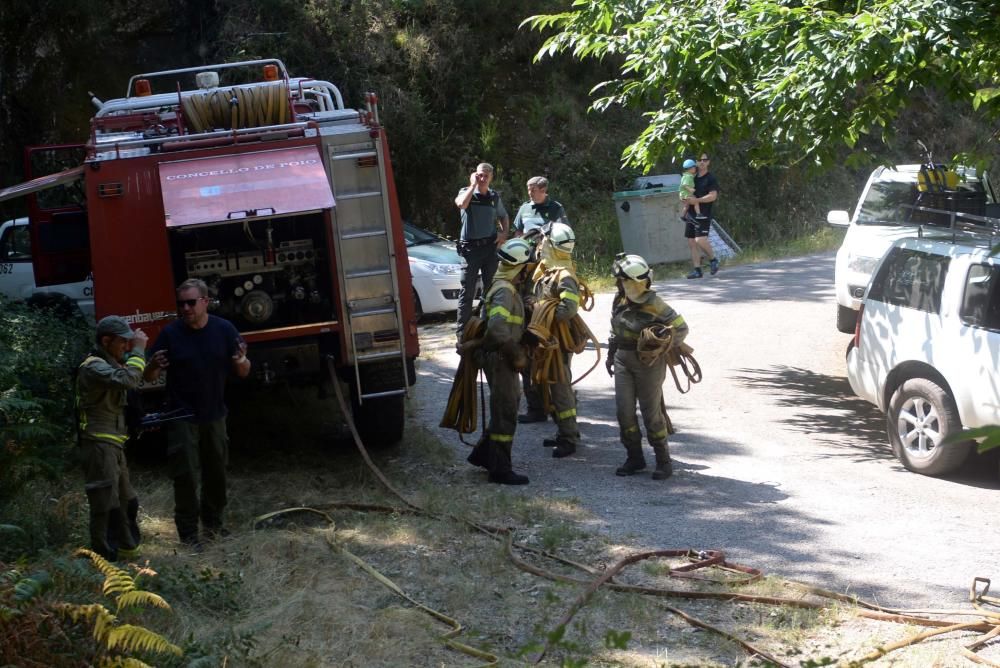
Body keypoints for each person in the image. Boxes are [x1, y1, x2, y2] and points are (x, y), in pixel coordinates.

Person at [144, 278, 251, 547]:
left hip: (214, 412)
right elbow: (149, 376)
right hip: (181, 414)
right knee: (186, 474)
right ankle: (189, 534)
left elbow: (244, 370)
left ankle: (214, 525)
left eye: (191, 302)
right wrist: (154, 365)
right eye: (181, 304)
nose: (186, 308)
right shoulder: (171, 334)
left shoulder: (224, 329)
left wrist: (241, 361)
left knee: (216, 471)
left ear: (205, 302)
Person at [76, 315, 154, 561]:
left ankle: (127, 552)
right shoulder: (93, 366)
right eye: (123, 342)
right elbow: (128, 380)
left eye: (130, 343)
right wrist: (140, 351)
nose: (127, 346)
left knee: (126, 502)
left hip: (113, 445)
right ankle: (104, 561)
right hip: (99, 446)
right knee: (105, 506)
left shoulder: (110, 365)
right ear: (106, 340)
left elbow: (131, 383)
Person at [606, 254, 688, 480]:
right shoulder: (619, 300)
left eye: (622, 280)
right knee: (624, 412)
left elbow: (681, 329)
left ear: (633, 281)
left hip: (648, 364)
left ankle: (663, 460)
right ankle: (635, 457)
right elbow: (615, 330)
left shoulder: (655, 304)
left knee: (651, 413)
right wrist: (611, 354)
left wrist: (660, 345)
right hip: (623, 359)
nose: (618, 283)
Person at [461, 238, 534, 485]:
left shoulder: (503, 286)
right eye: (526, 267)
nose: (528, 272)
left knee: (506, 406)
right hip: (502, 359)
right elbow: (497, 330)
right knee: (505, 411)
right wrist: (517, 354)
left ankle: (484, 455)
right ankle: (500, 470)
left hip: (499, 357)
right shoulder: (504, 290)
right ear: (519, 267)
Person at [512, 176, 569, 423]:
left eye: (533, 189)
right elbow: (516, 234)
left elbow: (565, 237)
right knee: (527, 345)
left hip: (547, 271)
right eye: (528, 189)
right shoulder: (524, 209)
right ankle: (535, 408)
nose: (530, 193)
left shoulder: (556, 209)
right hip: (525, 272)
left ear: (544, 190)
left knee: (554, 352)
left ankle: (559, 407)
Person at [532, 222, 582, 458]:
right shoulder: (549, 271)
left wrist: (546, 322)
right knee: (552, 387)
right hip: (548, 341)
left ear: (552, 246)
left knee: (560, 388)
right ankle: (564, 431)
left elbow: (569, 308)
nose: (540, 246)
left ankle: (569, 438)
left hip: (557, 343)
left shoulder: (564, 275)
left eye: (543, 241)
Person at [454, 162, 510, 339]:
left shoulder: (494, 197)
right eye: (480, 175)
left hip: (489, 249)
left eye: (486, 175)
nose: (483, 178)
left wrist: (504, 233)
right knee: (467, 291)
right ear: (474, 175)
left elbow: (503, 215)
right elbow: (462, 204)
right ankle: (462, 333)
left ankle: (487, 329)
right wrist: (472, 185)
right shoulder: (466, 192)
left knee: (490, 291)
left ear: (491, 177)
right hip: (470, 250)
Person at [685, 153, 721, 279]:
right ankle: (697, 270)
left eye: (704, 160)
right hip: (690, 213)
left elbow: (713, 196)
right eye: (699, 160)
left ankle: (713, 260)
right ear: (695, 162)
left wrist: (697, 200)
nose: (702, 162)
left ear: (708, 162)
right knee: (691, 242)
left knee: (700, 239)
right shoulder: (692, 178)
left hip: (703, 214)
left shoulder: (710, 178)